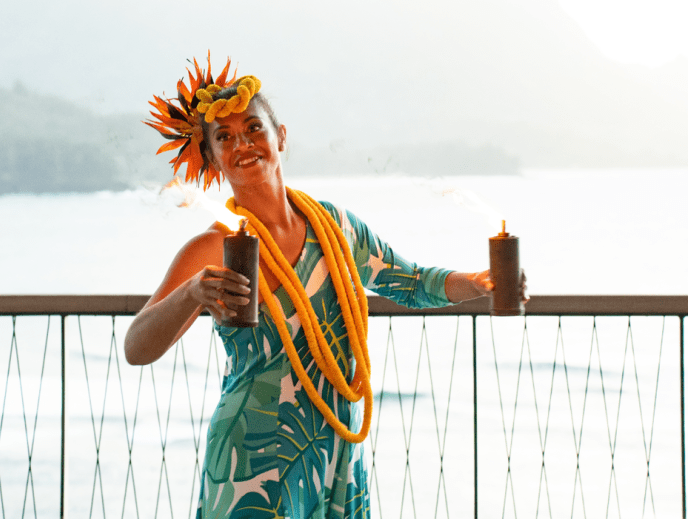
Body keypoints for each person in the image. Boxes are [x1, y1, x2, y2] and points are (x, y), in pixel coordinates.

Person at [124, 56, 522, 519]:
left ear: (281, 137)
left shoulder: (335, 227)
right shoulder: (212, 248)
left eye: (254, 128)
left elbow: (411, 282)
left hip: (336, 456)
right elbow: (137, 347)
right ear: (212, 157)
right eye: (225, 138)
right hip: (252, 458)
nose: (243, 144)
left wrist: (480, 284)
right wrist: (192, 293)